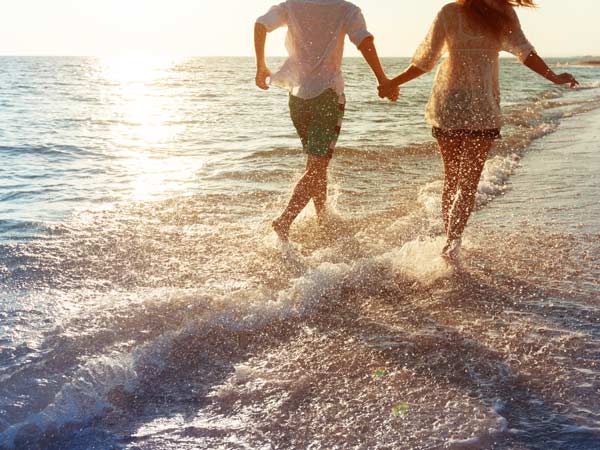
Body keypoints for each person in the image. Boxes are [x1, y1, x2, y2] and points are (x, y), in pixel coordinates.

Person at [378, 0, 578, 261]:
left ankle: (449, 242)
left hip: (453, 103)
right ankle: (452, 242)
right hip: (476, 106)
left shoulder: (463, 12)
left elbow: (426, 61)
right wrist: (553, 77)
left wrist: (393, 82)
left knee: (453, 179)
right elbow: (525, 53)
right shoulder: (488, 12)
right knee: (466, 183)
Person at [254, 0, 398, 242]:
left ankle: (322, 218)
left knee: (316, 163)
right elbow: (364, 41)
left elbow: (260, 25)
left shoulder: (292, 6)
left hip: (297, 97)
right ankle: (284, 221)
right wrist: (383, 79)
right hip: (328, 96)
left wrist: (261, 66)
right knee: (317, 166)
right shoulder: (346, 10)